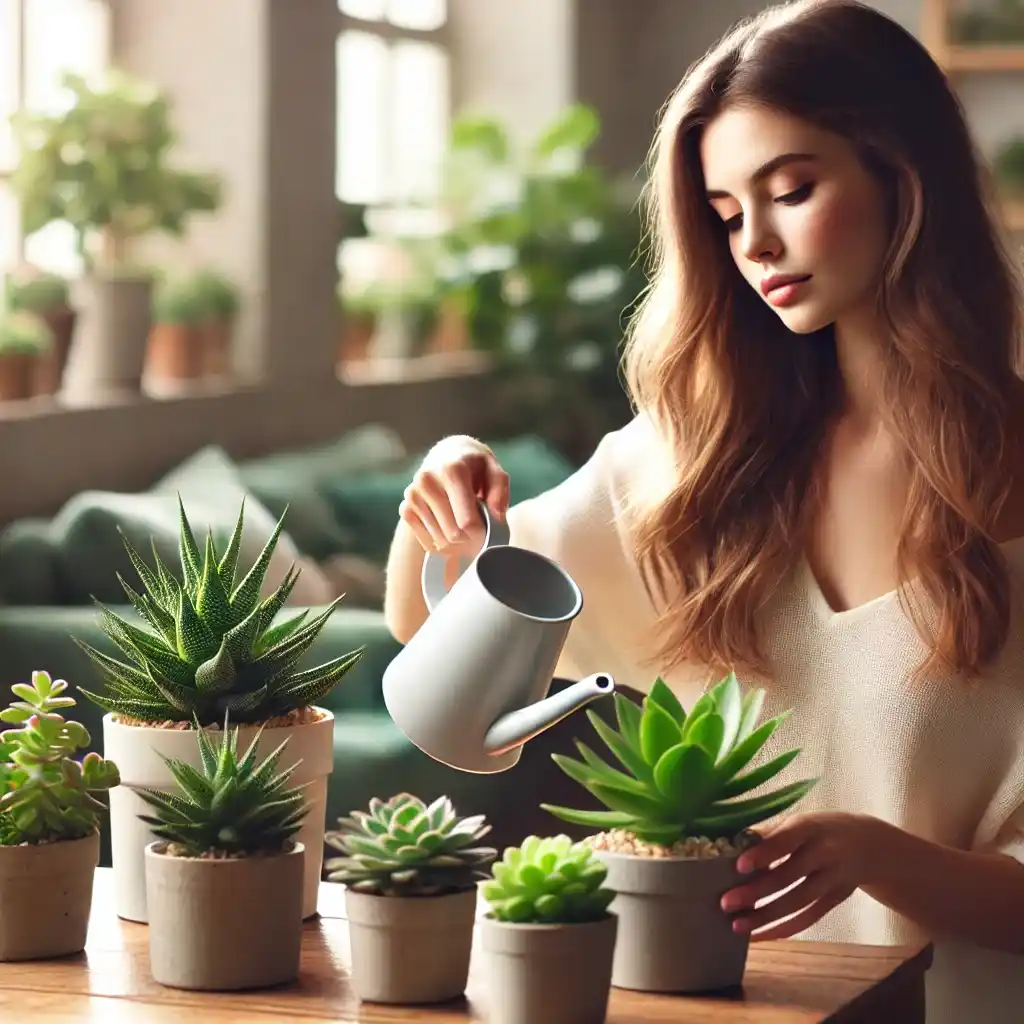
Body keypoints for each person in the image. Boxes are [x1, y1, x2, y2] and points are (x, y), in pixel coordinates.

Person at [383, 1, 1024, 1019]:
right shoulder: (688, 467)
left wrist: (878, 855)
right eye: (725, 215)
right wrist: (440, 492)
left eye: (793, 190)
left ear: (905, 180)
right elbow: (430, 636)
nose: (756, 242)